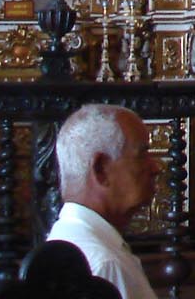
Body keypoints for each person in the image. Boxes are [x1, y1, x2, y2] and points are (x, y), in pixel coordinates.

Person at [48, 105, 160, 299]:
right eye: (142, 155)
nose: (155, 167)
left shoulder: (68, 237)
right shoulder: (104, 264)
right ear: (101, 169)